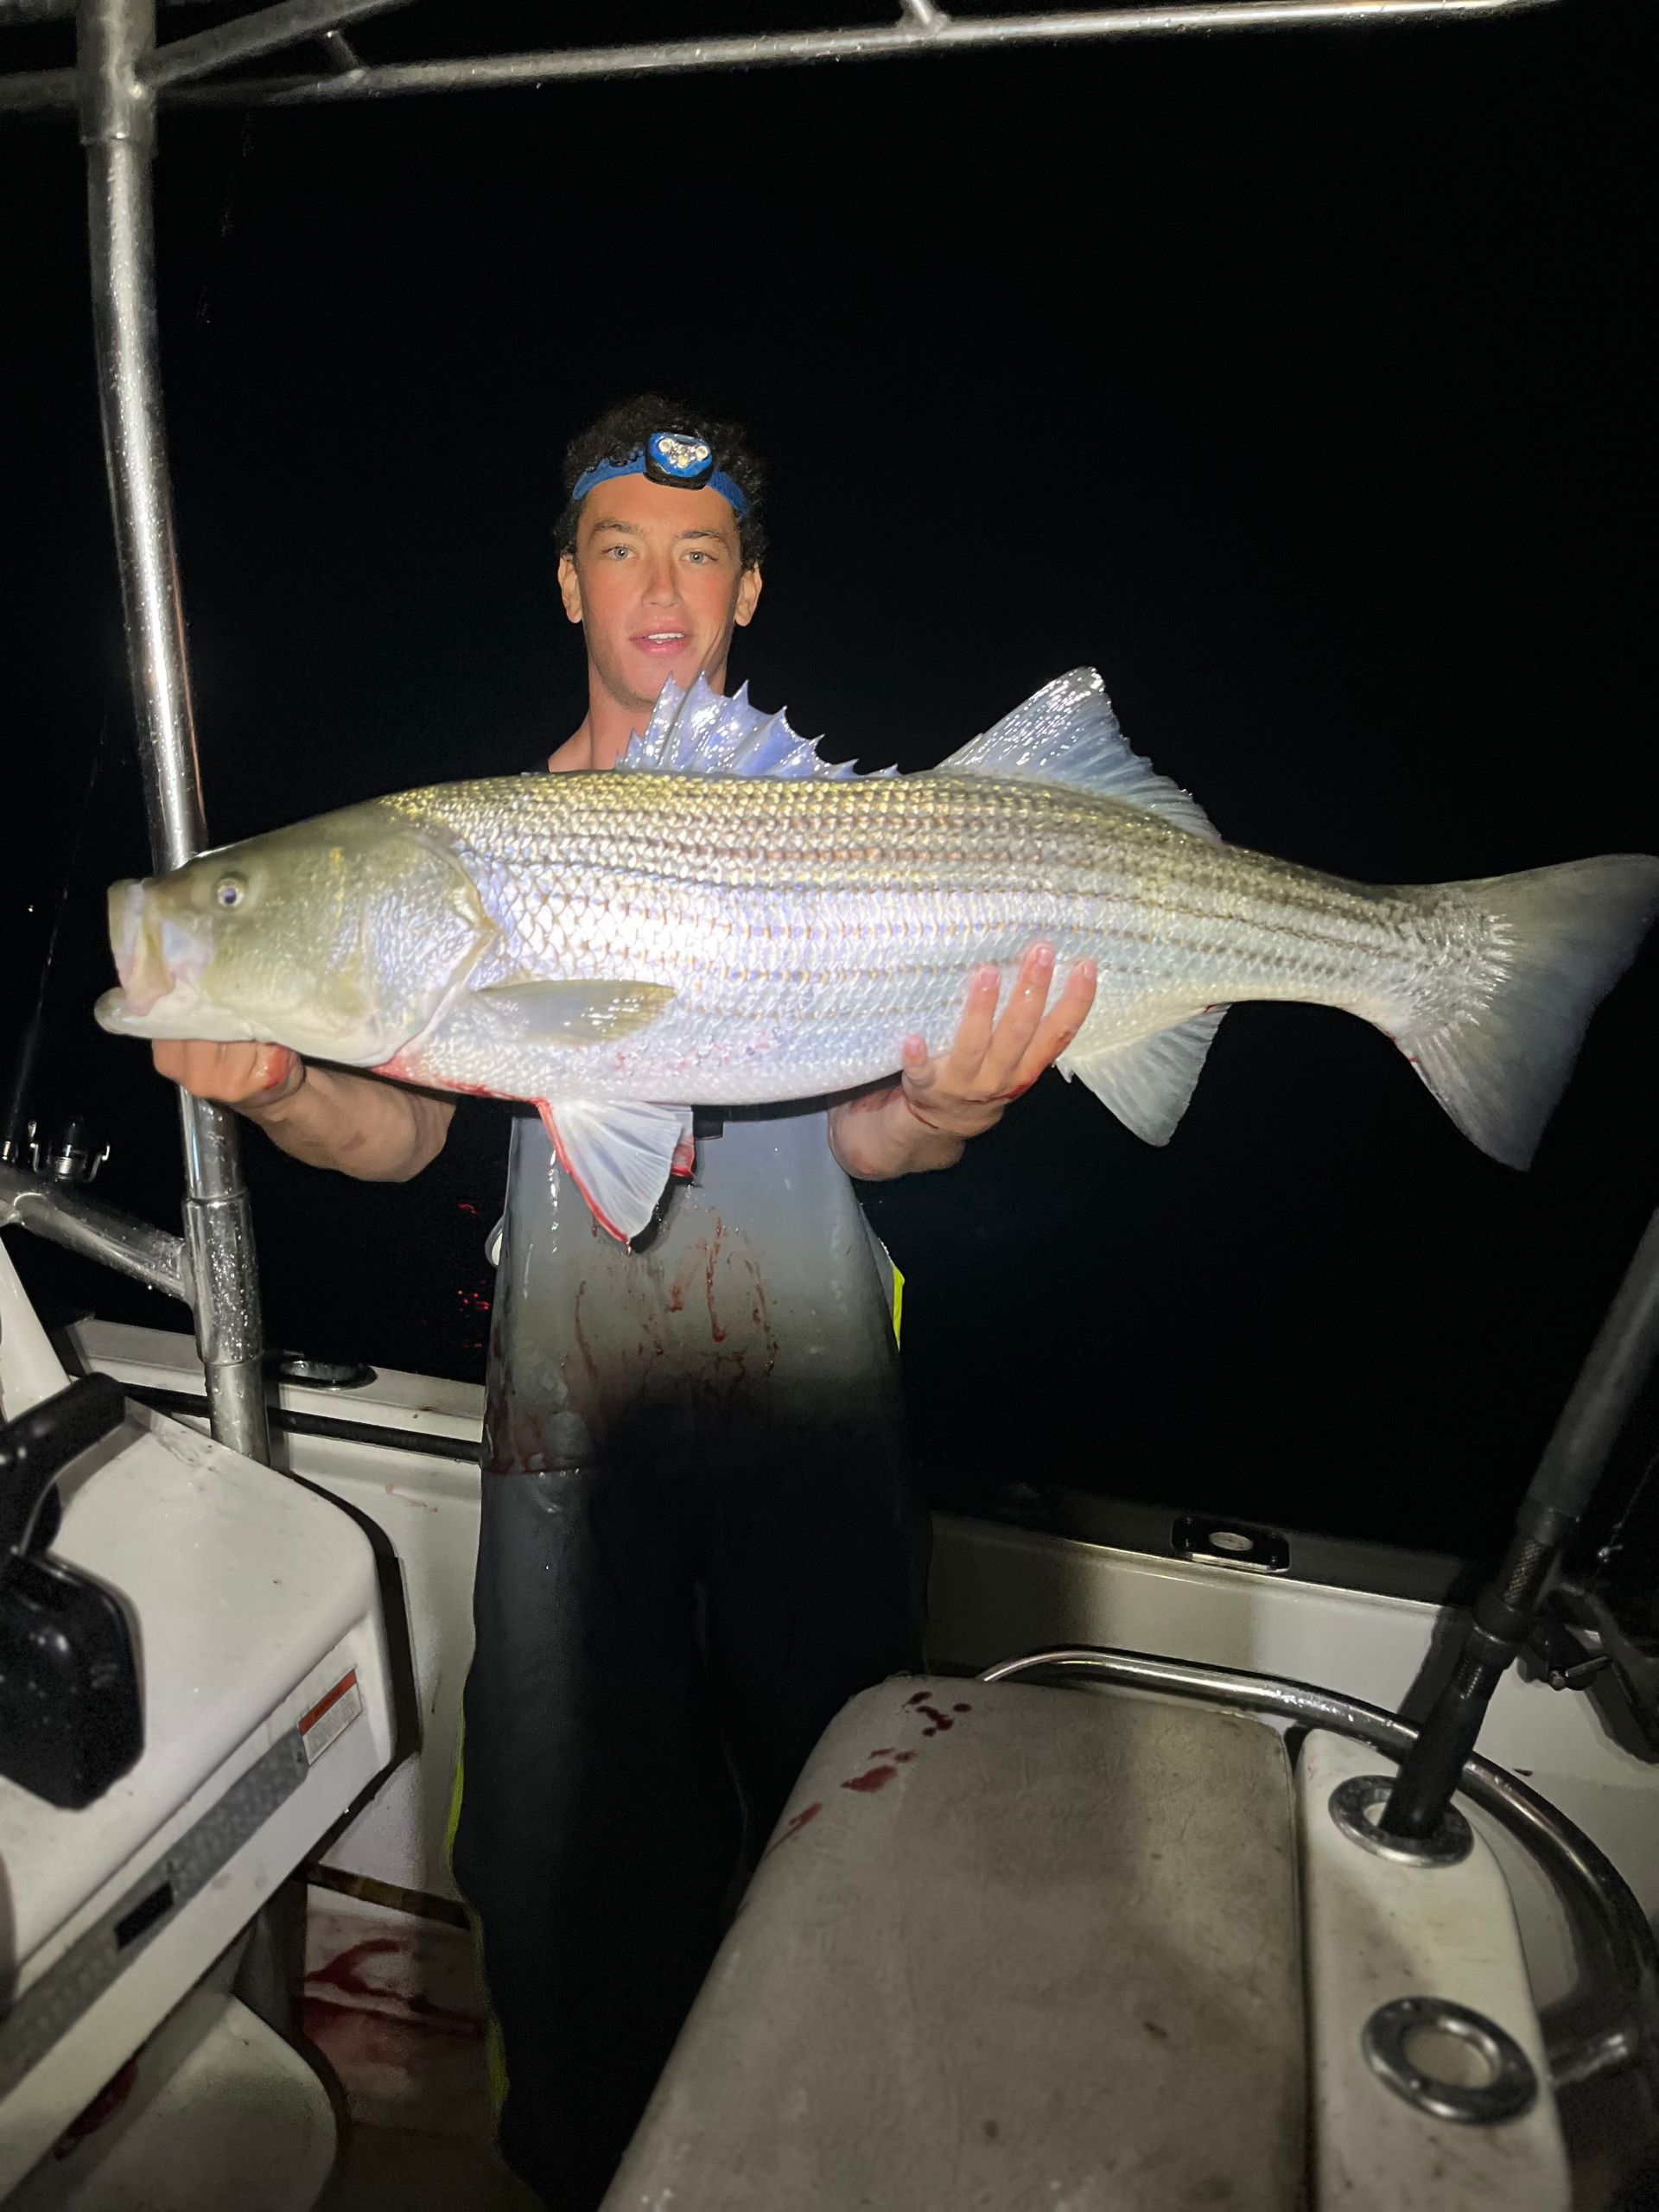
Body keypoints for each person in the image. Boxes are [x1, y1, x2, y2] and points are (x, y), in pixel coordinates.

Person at [155, 394, 1096, 2209]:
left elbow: (879, 1140)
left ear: (745, 588)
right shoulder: (483, 845)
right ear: (566, 577)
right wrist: (276, 1083)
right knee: (557, 1849)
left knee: (846, 1826)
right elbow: (401, 1122)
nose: (659, 585)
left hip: (814, 1411)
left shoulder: (819, 833)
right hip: (568, 1435)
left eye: (699, 551)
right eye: (619, 544)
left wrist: (960, 1101)